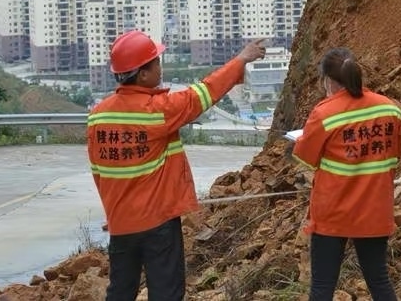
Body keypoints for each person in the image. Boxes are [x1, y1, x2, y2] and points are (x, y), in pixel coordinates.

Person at [87, 30, 266, 301]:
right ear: (142, 74)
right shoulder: (158, 110)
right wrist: (241, 59)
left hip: (121, 223)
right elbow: (204, 93)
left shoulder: (98, 116)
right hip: (158, 222)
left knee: (121, 291)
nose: (161, 66)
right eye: (156, 61)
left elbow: (100, 172)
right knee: (166, 292)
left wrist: (113, 211)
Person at [292, 47, 401, 301]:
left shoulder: (324, 114)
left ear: (328, 80)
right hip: (375, 209)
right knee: (379, 280)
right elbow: (394, 156)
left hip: (334, 212)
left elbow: (305, 157)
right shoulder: (390, 110)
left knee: (322, 286)